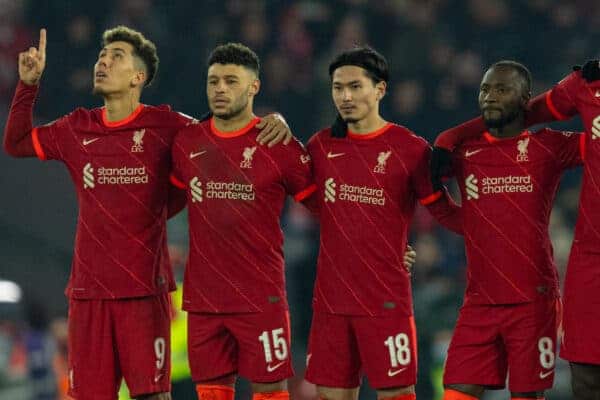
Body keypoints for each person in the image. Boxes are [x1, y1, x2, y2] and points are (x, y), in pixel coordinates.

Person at [3, 27, 292, 400]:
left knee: (152, 396)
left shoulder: (167, 126)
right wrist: (27, 86)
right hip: (88, 294)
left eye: (116, 56)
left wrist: (276, 120)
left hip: (144, 293)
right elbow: (16, 143)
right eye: (101, 56)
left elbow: (226, 131)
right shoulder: (77, 127)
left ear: (138, 77)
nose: (103, 62)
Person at [431, 60, 600, 400]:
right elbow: (426, 192)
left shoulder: (548, 147)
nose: (490, 96)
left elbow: (592, 148)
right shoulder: (464, 152)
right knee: (455, 392)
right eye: (485, 89)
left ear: (524, 98)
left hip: (533, 301)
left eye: (502, 89)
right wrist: (470, 224)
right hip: (480, 302)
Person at [303, 46, 462, 400]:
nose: (345, 96)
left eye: (355, 86)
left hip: (385, 302)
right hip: (331, 303)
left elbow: (444, 211)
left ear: (380, 89)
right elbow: (311, 202)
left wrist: (493, 221)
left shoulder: (410, 149)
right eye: (337, 88)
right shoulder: (320, 146)